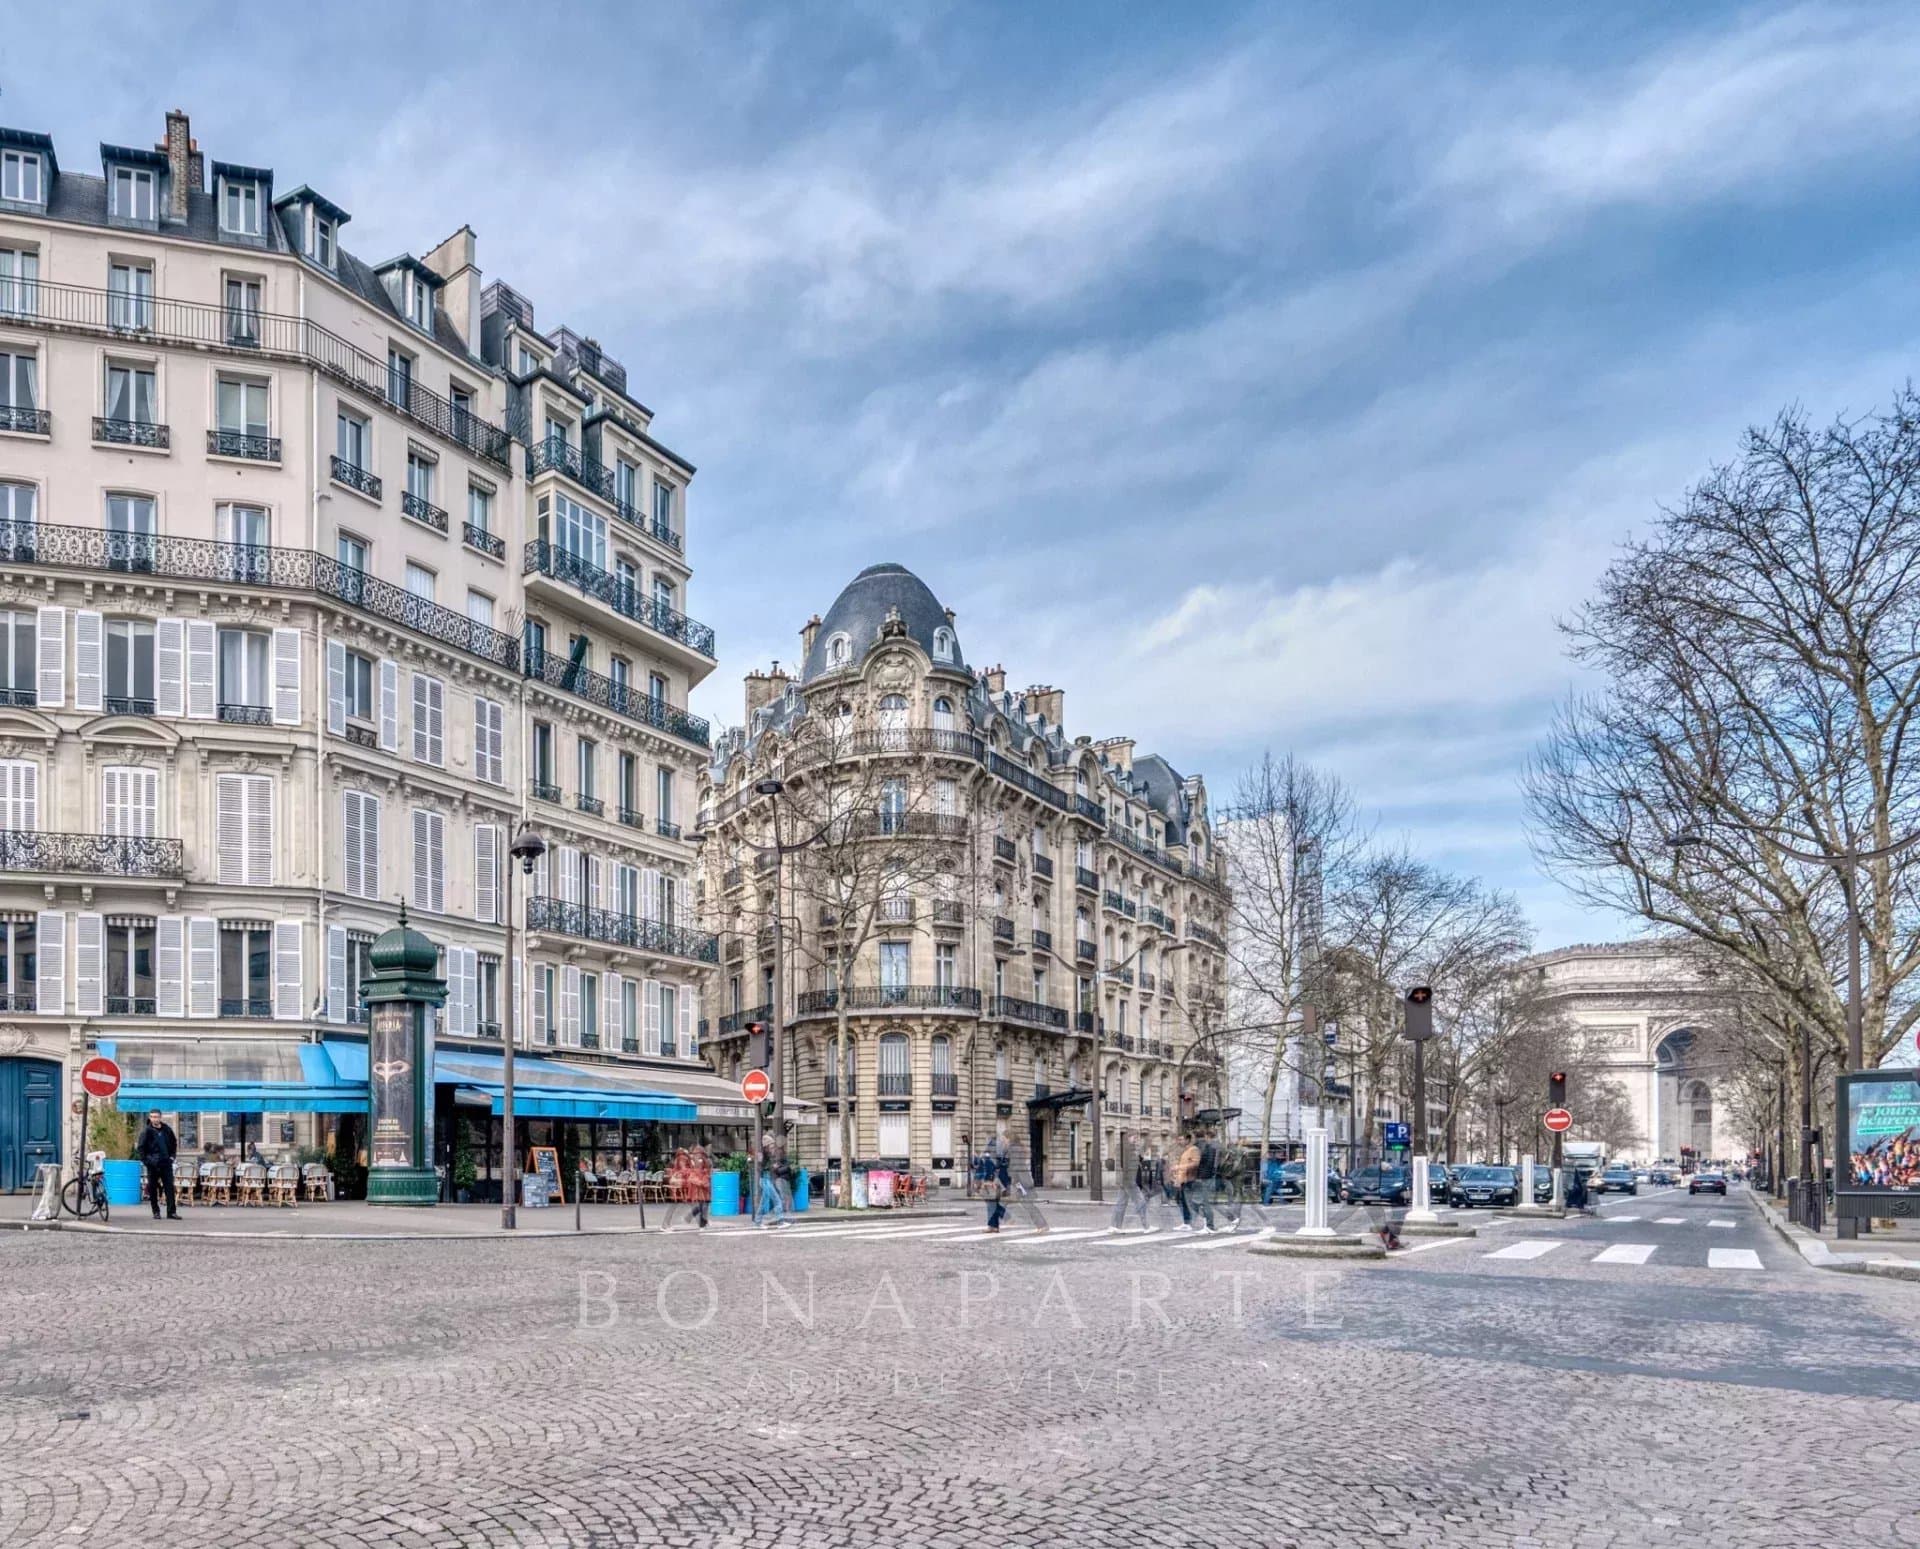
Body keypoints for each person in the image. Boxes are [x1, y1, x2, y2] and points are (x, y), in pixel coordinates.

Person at [137, 1110, 180, 1220]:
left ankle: (171, 1212)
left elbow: (174, 1143)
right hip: (153, 1164)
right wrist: (147, 1162)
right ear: (150, 1118)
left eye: (156, 1117)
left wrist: (172, 1157)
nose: (154, 1119)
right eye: (152, 1117)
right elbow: (141, 1148)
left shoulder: (167, 1130)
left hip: (166, 1163)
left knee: (169, 1188)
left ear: (160, 1117)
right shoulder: (146, 1131)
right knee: (152, 1188)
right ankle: (156, 1212)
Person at [1111, 1131, 1155, 1232]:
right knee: (1141, 1202)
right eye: (1134, 1138)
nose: (1136, 1140)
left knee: (1121, 1203)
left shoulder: (1125, 1149)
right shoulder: (1128, 1149)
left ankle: (1115, 1226)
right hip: (1130, 1180)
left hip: (1125, 1180)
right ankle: (1147, 1226)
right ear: (1128, 1138)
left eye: (1136, 1138)